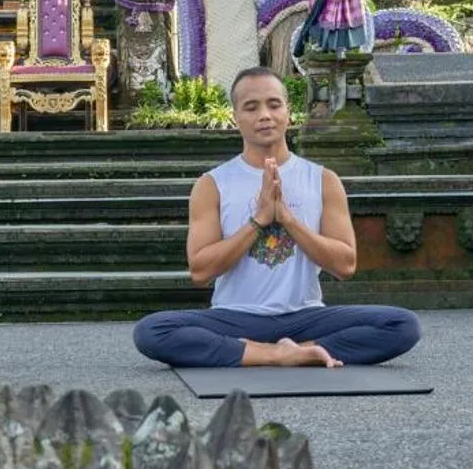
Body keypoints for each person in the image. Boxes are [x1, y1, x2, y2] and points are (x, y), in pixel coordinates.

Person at [134, 66, 420, 369]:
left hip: (305, 316)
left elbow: (345, 265)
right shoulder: (212, 184)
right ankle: (280, 354)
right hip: (235, 316)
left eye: (274, 104)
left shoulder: (323, 179)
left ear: (288, 112)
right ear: (235, 117)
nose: (264, 115)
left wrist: (288, 219)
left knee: (402, 325)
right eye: (251, 107)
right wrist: (258, 220)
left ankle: (283, 350)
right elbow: (201, 272)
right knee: (152, 331)